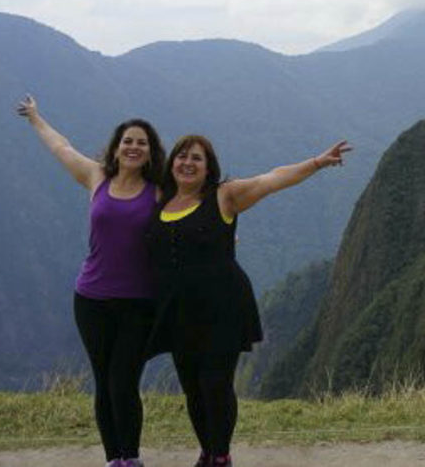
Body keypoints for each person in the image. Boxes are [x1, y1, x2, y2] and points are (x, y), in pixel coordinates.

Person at [147, 134, 350, 467]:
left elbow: (271, 179)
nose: (187, 163)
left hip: (221, 306)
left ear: (208, 167)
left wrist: (316, 163)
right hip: (178, 311)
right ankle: (207, 451)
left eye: (196, 158)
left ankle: (221, 454)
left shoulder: (224, 196)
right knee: (192, 387)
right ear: (171, 164)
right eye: (181, 157)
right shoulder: (159, 201)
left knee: (215, 383)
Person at [17, 94, 165, 467]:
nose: (133, 147)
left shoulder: (160, 191)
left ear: (150, 153)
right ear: (116, 148)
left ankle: (130, 457)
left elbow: (198, 209)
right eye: (127, 141)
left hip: (139, 302)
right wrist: (36, 117)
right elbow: (61, 147)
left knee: (123, 381)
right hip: (91, 299)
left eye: (141, 143)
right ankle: (113, 458)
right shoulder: (96, 177)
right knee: (103, 381)